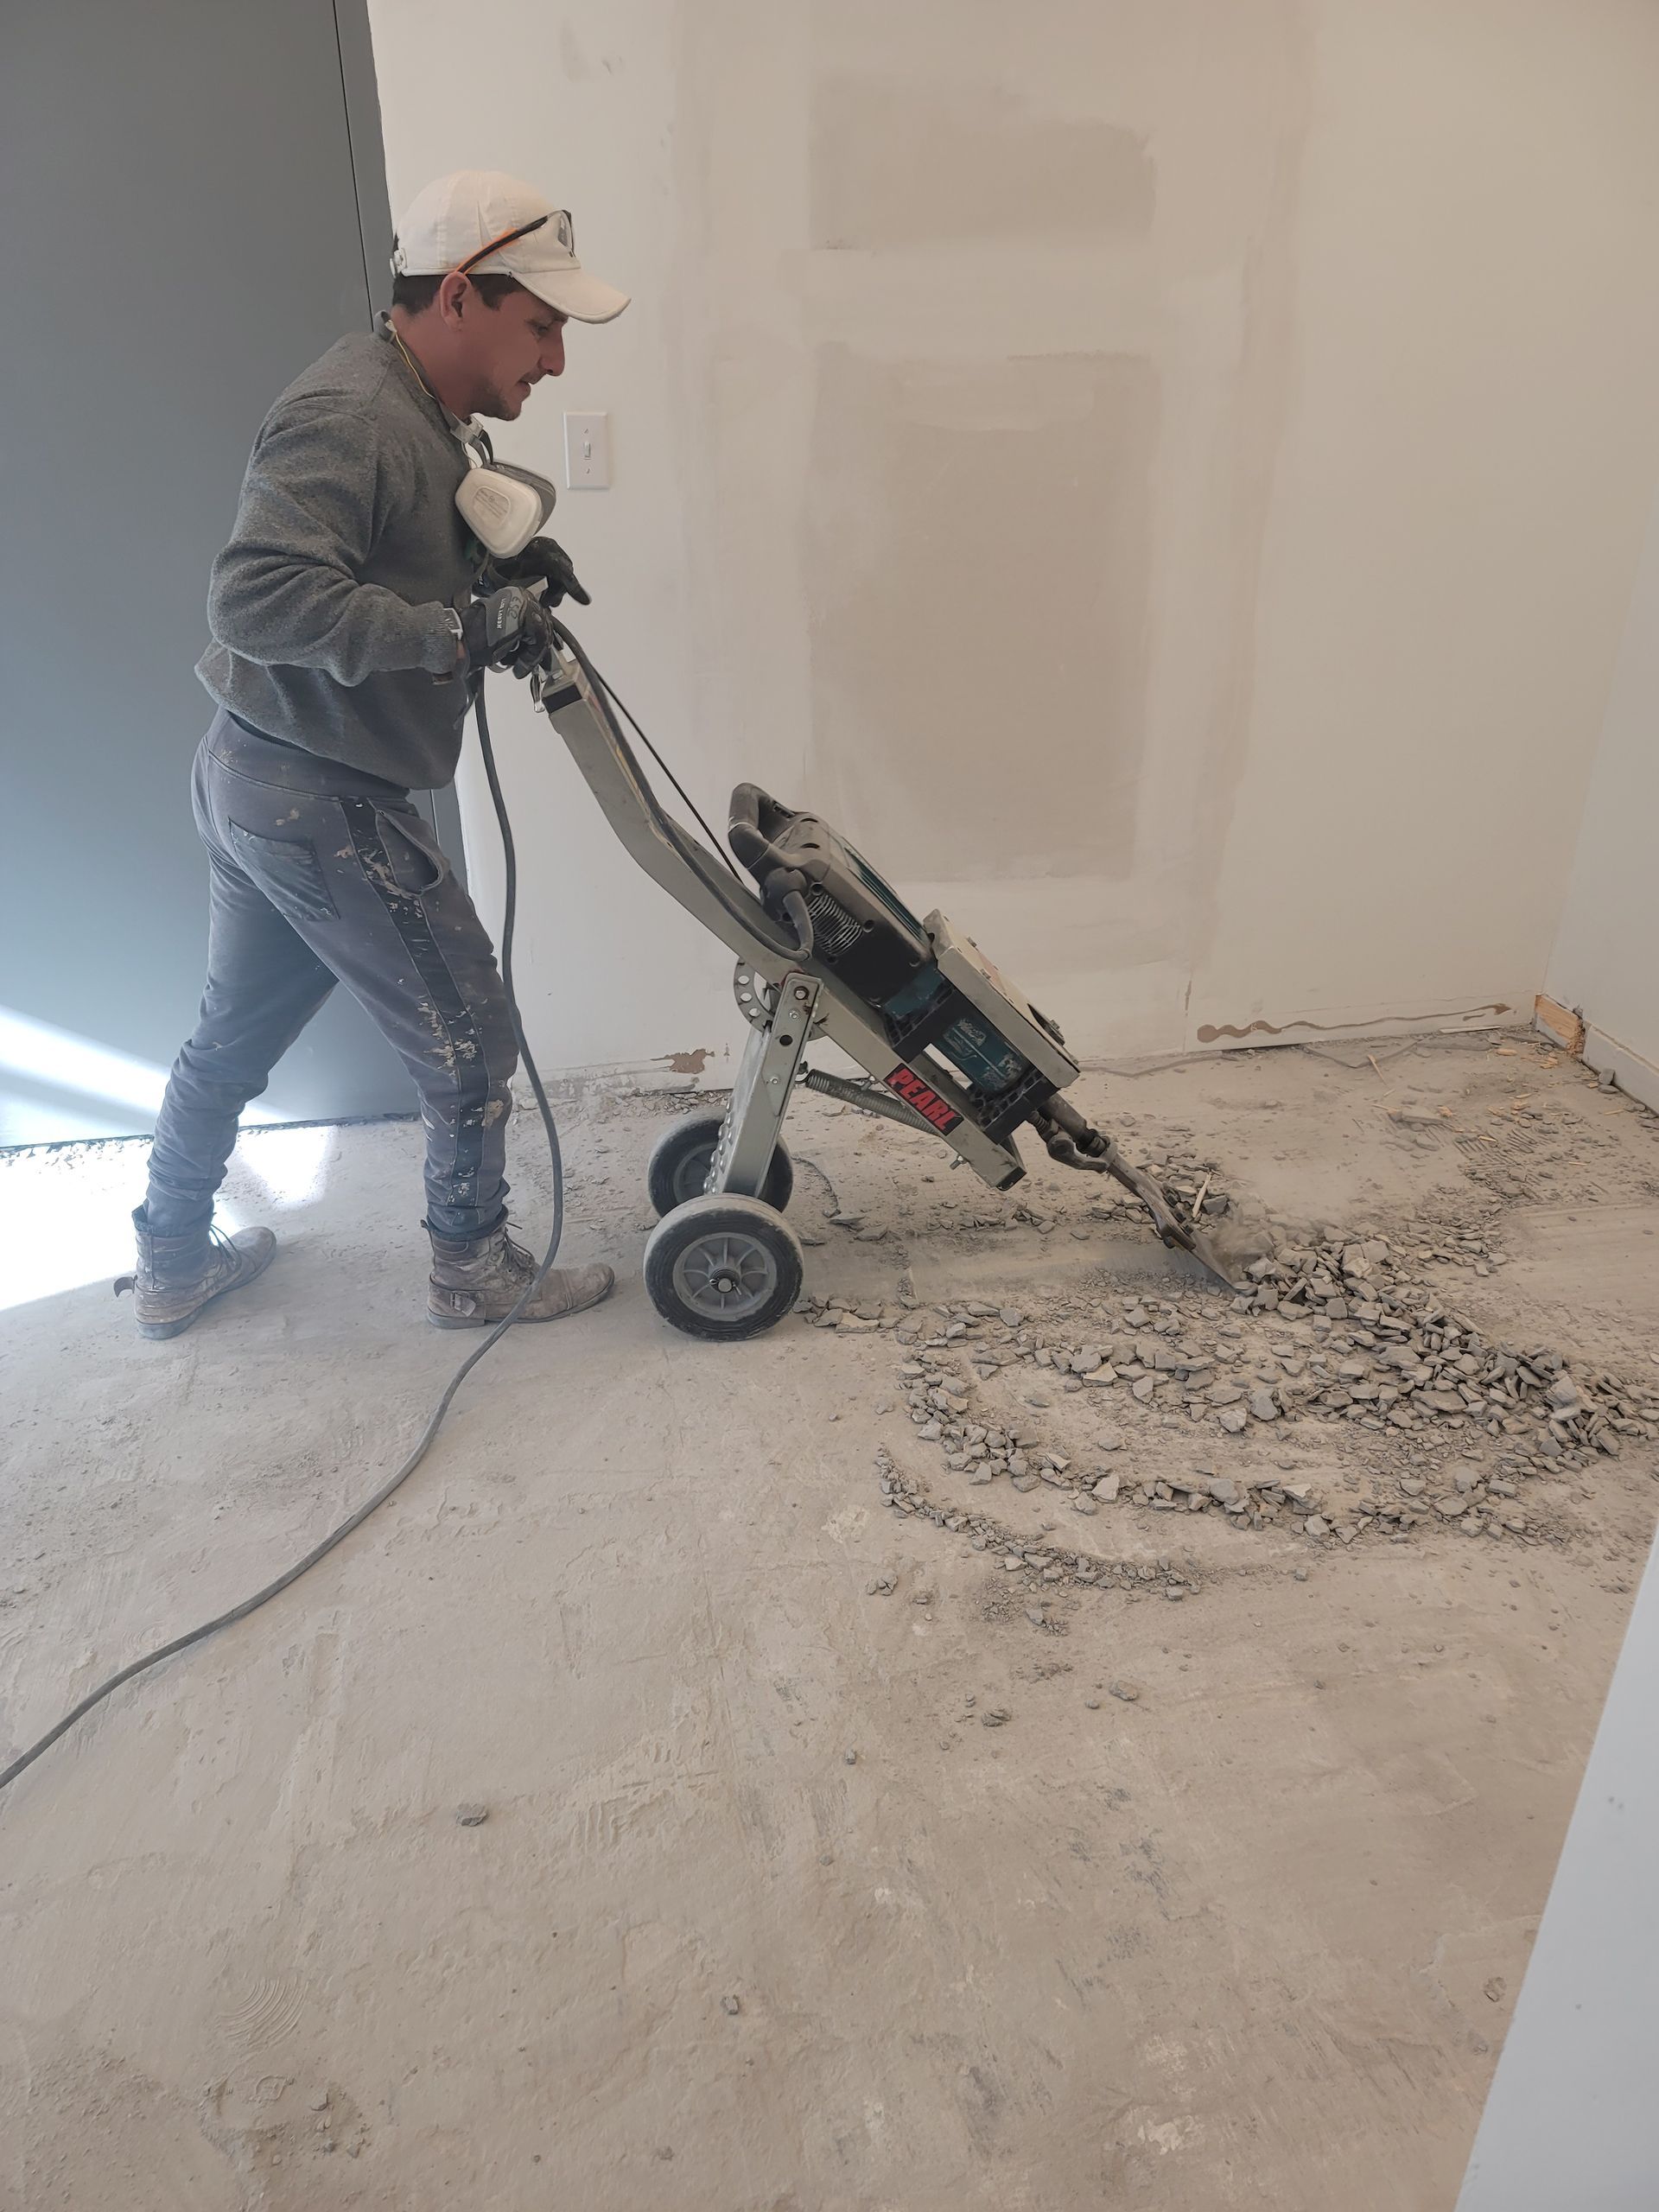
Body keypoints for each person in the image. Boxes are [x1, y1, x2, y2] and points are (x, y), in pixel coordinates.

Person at [120, 172, 627, 1340]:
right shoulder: (351, 412)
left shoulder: (421, 406)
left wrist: (507, 568)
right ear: (459, 296)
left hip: (259, 774)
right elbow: (257, 596)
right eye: (539, 327)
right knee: (470, 1036)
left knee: (231, 1035)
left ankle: (172, 1261)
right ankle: (471, 1272)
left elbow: (395, 544)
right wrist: (455, 632)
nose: (555, 360)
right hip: (318, 794)